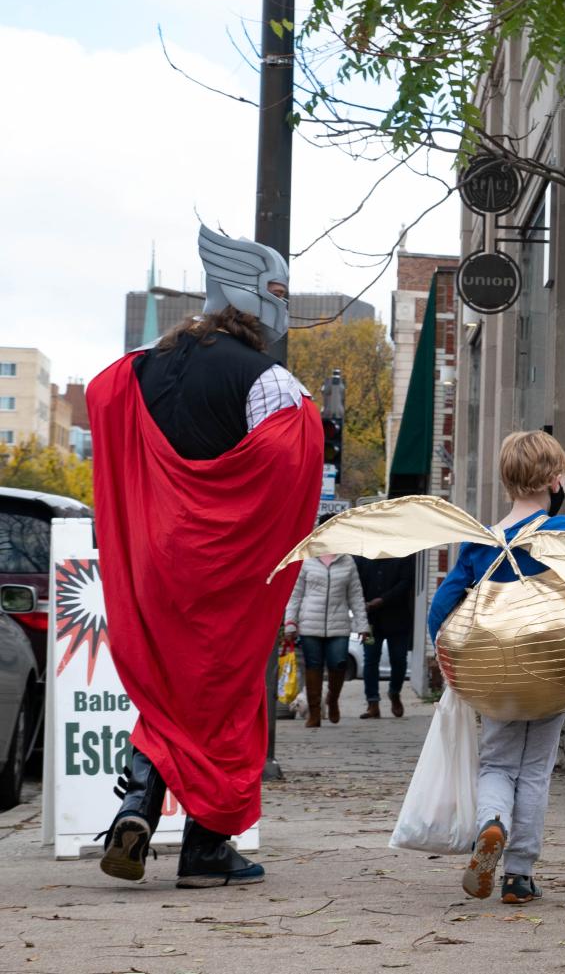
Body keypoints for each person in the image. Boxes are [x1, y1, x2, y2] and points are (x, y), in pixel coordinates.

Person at [88, 225, 322, 886]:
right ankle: (206, 848)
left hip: (154, 565)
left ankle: (137, 802)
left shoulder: (139, 365)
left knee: (167, 694)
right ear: (256, 297)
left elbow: (103, 400)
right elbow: (286, 464)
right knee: (223, 698)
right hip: (222, 569)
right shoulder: (270, 381)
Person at [427, 431, 565, 903]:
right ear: (555, 478)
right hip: (554, 667)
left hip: (495, 671)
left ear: (506, 480)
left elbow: (442, 606)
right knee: (535, 769)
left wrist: (446, 652)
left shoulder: (482, 542)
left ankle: (491, 823)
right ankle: (519, 873)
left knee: (496, 760)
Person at [283, 545, 371, 727]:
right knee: (313, 667)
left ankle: (332, 699)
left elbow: (356, 595)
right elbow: (296, 594)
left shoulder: (347, 562)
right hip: (309, 624)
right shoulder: (307, 560)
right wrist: (290, 622)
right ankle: (314, 712)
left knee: (338, 664)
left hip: (339, 624)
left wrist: (362, 625)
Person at [353, 554, 416, 718]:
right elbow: (355, 586)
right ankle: (372, 702)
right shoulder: (362, 558)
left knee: (399, 659)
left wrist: (382, 600)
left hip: (398, 619)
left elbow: (406, 583)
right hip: (371, 621)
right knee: (370, 660)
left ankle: (395, 692)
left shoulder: (403, 555)